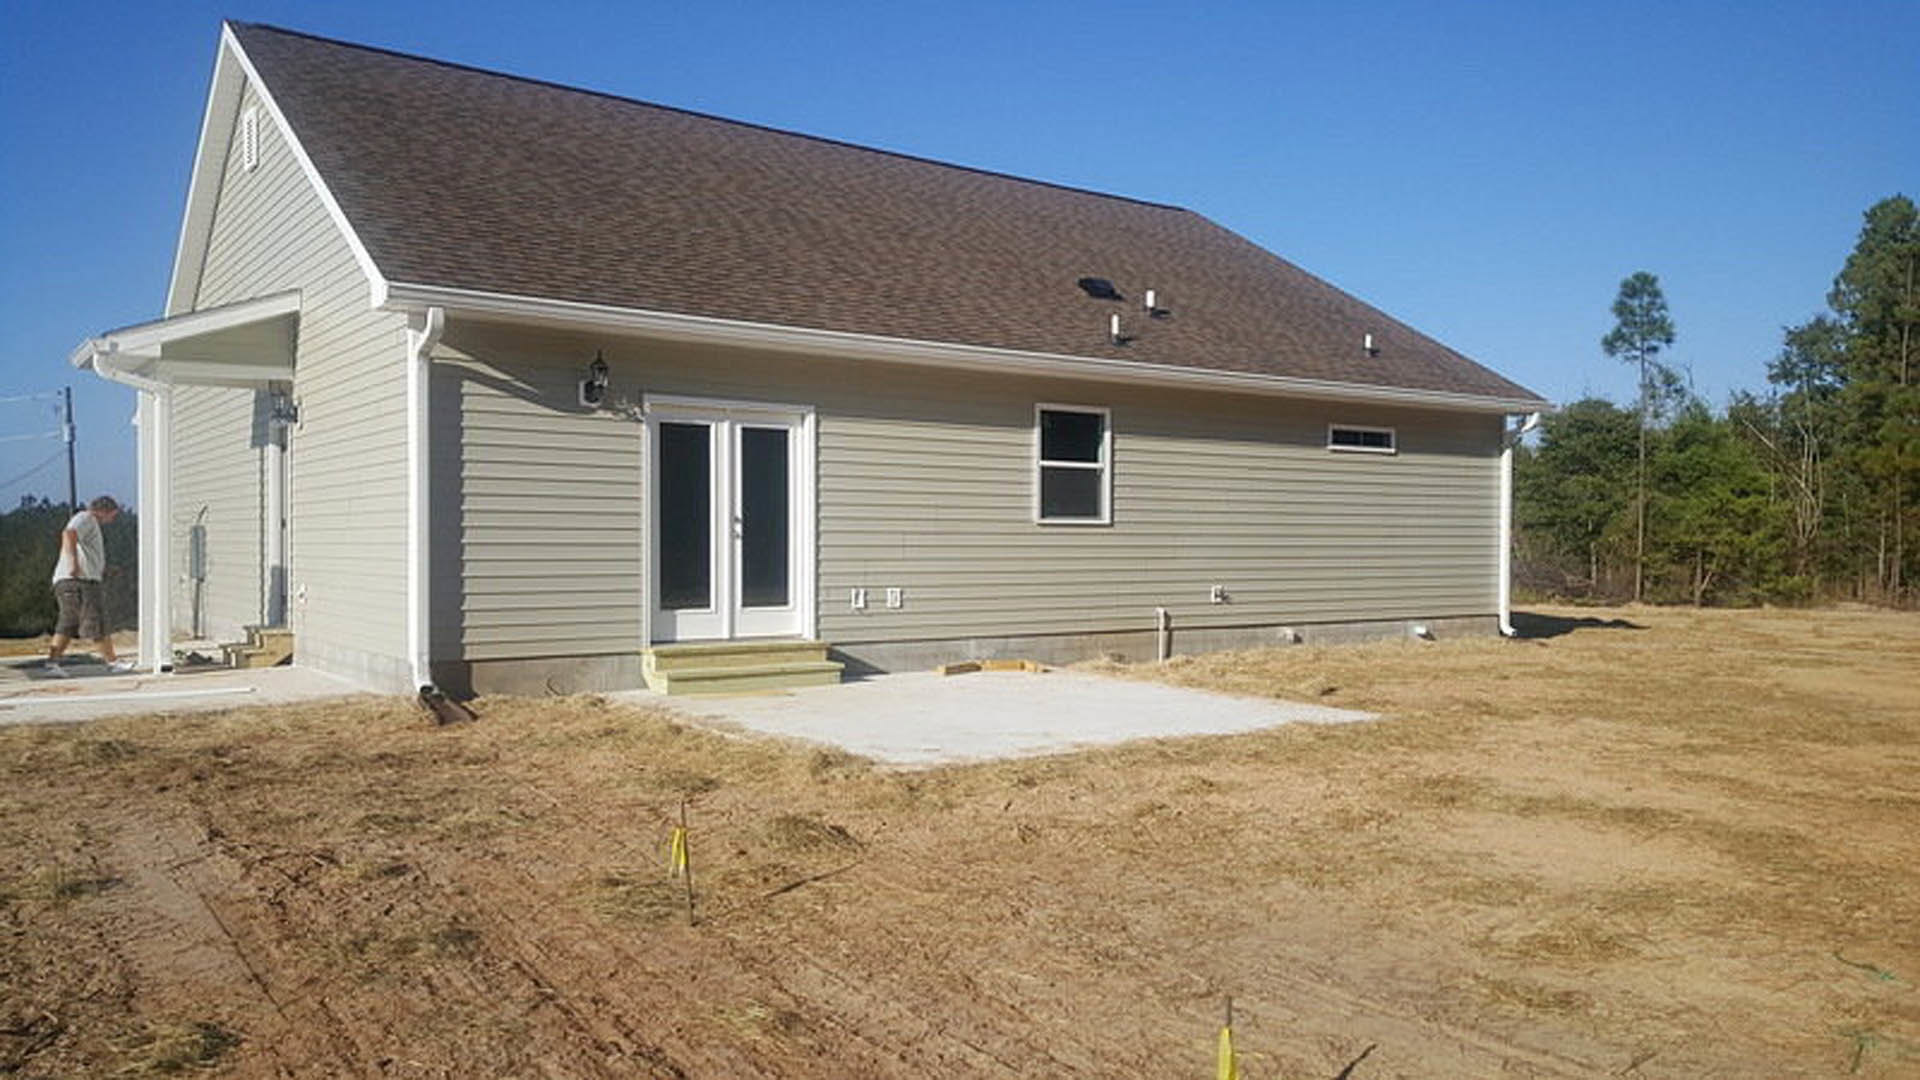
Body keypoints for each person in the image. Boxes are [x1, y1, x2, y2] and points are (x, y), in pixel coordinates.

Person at [45, 496, 133, 678]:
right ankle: (52, 663)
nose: (113, 519)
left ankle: (112, 662)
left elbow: (85, 550)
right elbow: (68, 533)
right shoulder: (86, 518)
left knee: (95, 621)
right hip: (75, 581)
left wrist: (103, 569)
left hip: (86, 580)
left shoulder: (91, 524)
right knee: (71, 620)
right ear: (104, 510)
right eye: (113, 515)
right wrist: (73, 564)